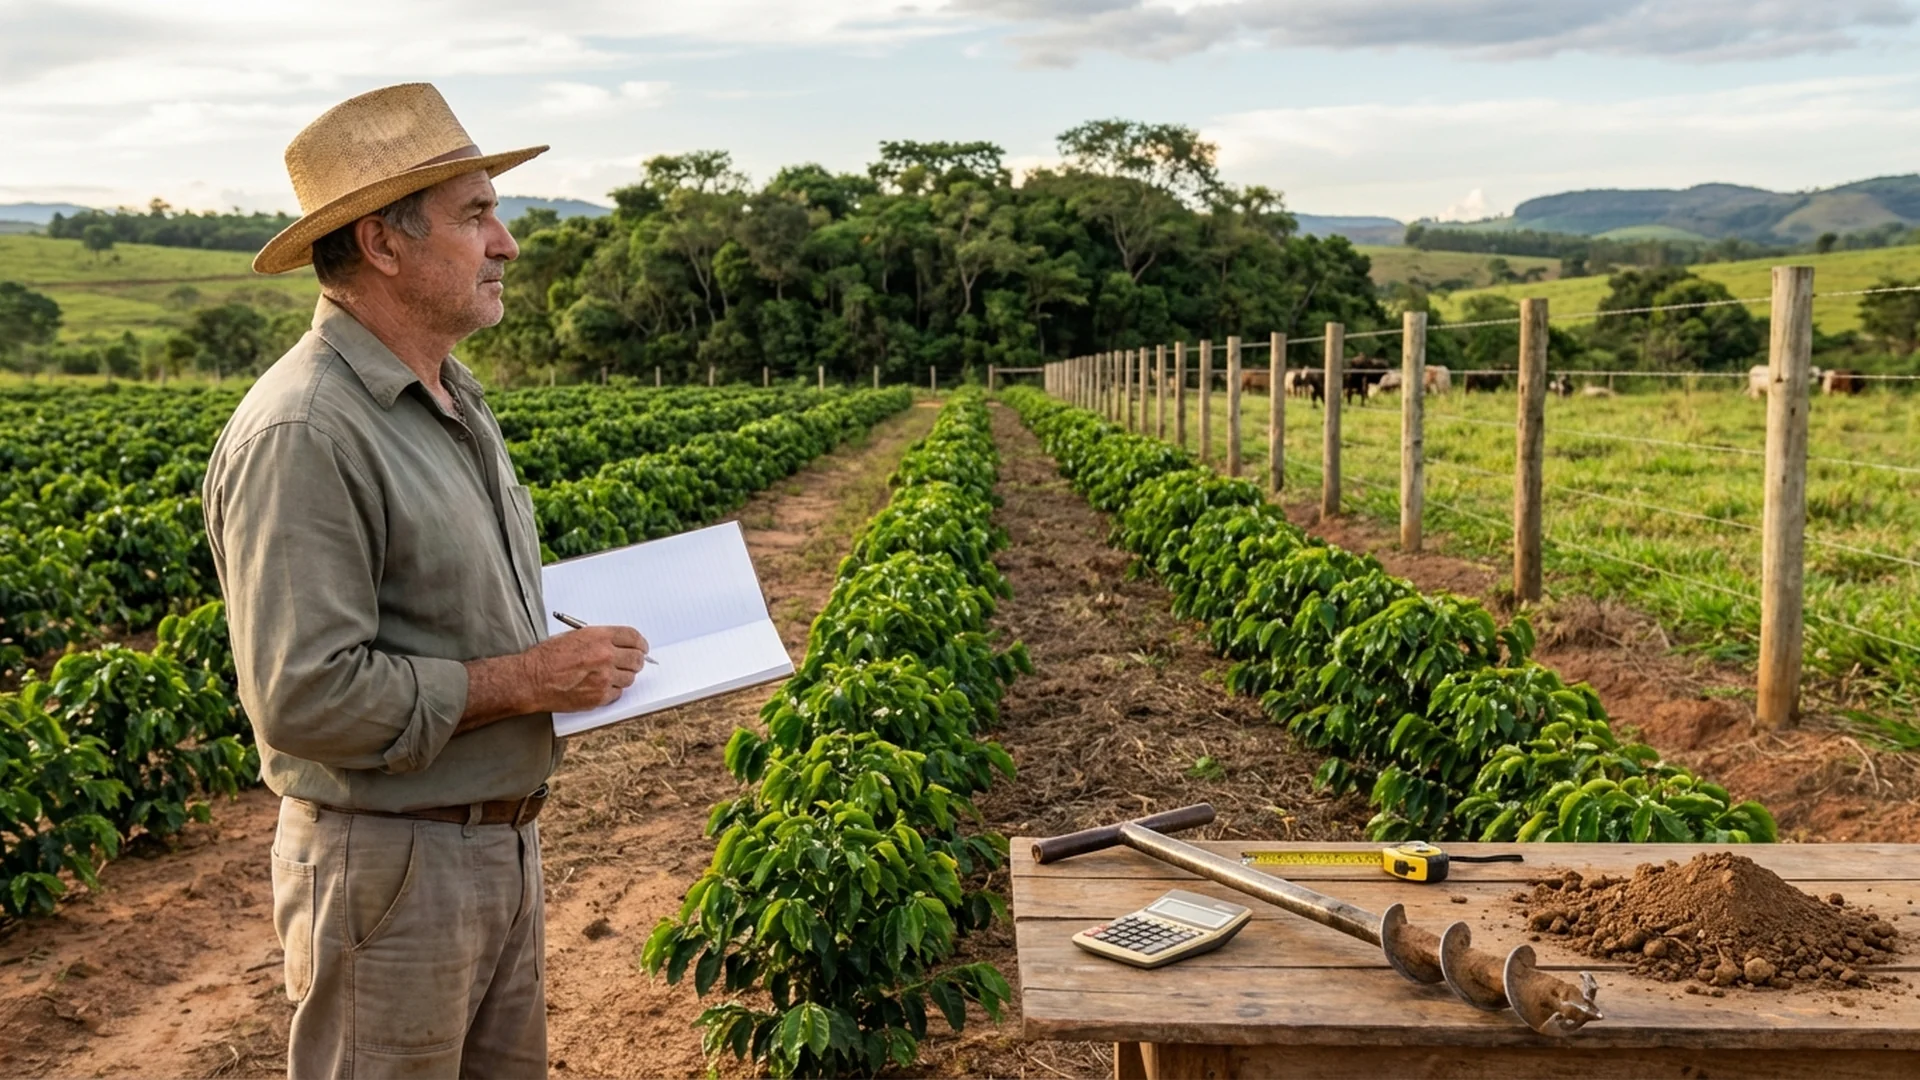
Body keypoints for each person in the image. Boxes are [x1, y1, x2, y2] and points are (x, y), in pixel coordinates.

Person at [204, 82, 646, 1078]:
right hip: (390, 868)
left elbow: (458, 606)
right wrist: (531, 680)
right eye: (476, 215)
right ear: (381, 243)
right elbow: (303, 695)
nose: (508, 243)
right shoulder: (307, 430)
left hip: (497, 845)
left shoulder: (450, 393)